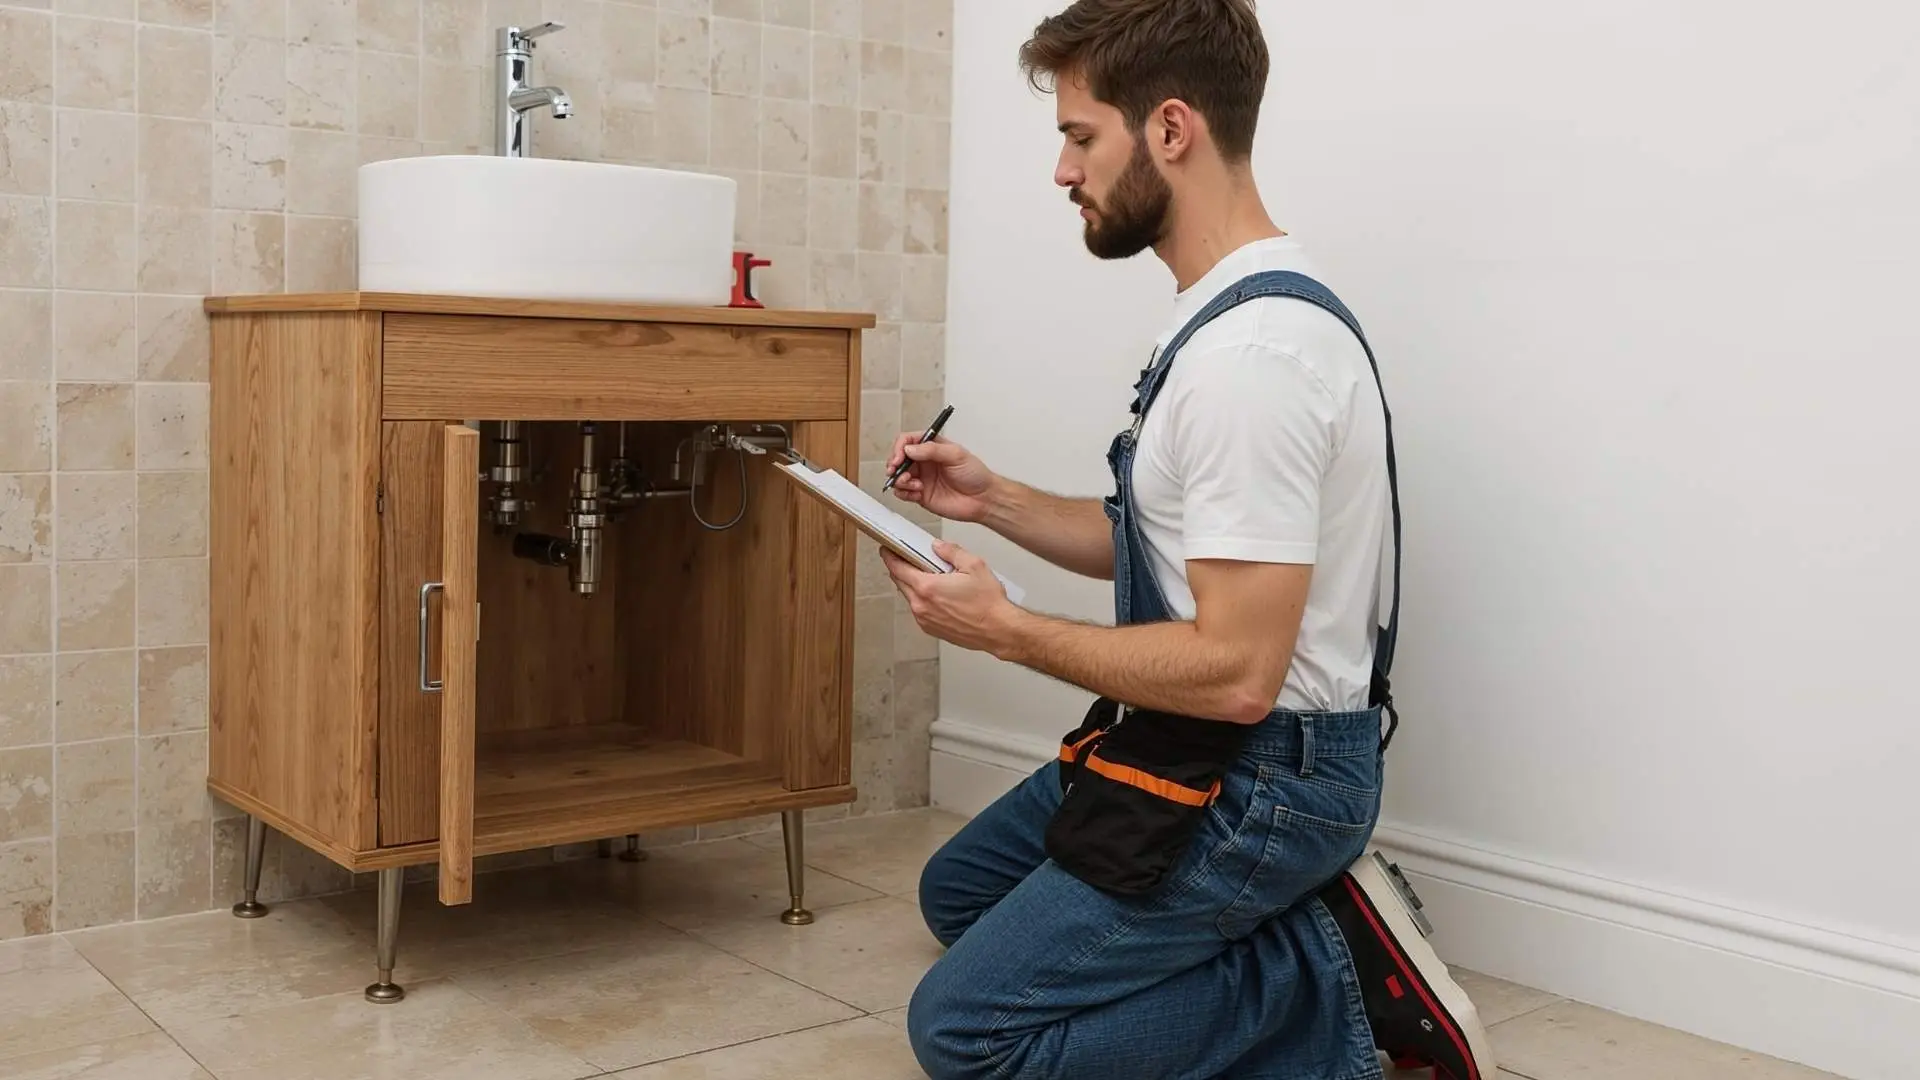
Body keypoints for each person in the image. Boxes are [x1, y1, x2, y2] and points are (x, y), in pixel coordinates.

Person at [878, 1, 1496, 1078]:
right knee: (961, 896)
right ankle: (1241, 936)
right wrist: (994, 500)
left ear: (1170, 130)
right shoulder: (1221, 316)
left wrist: (1005, 631)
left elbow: (1237, 673)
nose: (1062, 173)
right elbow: (1161, 543)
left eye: (1080, 137)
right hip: (1187, 739)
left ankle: (1333, 973)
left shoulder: (1251, 361)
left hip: (1264, 779)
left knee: (969, 1037)